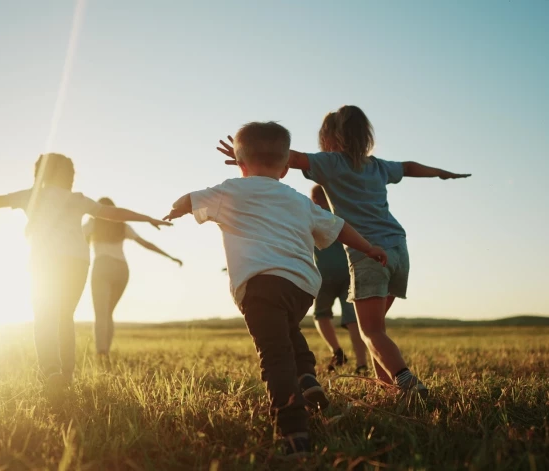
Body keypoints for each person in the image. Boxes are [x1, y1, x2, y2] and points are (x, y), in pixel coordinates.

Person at [165, 122, 387, 457]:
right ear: (285, 168)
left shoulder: (229, 190)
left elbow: (189, 199)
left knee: (274, 355)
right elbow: (339, 227)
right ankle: (308, 377)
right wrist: (369, 248)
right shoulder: (298, 200)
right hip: (301, 288)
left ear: (240, 164)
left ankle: (293, 429)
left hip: (259, 285)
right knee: (286, 331)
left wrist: (174, 211)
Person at [219, 106, 470, 400]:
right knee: (378, 327)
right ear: (365, 136)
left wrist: (245, 155)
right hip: (398, 249)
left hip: (368, 253)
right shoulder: (376, 166)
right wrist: (441, 173)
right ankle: (386, 387)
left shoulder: (330, 163)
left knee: (370, 332)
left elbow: (288, 157)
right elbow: (410, 166)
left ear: (328, 137)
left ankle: (406, 381)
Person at [0, 153, 171, 391]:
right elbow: (113, 214)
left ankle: (52, 371)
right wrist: (147, 218)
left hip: (47, 261)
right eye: (70, 172)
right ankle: (65, 375)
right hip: (77, 262)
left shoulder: (33, 196)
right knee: (64, 317)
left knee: (45, 315)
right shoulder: (77, 199)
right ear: (62, 174)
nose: (73, 176)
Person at [83, 197, 182, 359]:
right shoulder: (123, 226)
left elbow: (77, 241)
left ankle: (102, 352)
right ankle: (105, 352)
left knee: (101, 314)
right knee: (108, 313)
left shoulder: (92, 224)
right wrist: (170, 257)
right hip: (121, 269)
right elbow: (146, 243)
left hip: (102, 266)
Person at [310, 184, 368, 375]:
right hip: (347, 273)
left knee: (321, 315)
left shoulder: (313, 217)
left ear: (316, 199)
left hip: (325, 275)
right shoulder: (343, 213)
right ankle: (361, 363)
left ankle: (338, 352)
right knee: (353, 319)